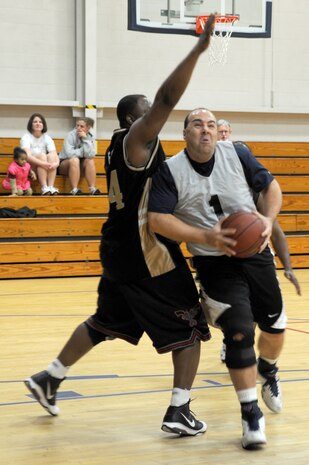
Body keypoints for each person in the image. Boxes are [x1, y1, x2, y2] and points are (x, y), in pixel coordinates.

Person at [24, 15, 216, 437]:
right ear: (133, 119)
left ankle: (49, 377)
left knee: (104, 322)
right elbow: (166, 97)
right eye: (148, 112)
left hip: (119, 248)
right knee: (190, 327)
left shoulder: (118, 148)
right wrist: (197, 51)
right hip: (148, 253)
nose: (156, 115)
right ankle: (178, 411)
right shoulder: (135, 142)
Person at [148, 107, 286, 449]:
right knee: (239, 330)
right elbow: (157, 219)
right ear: (185, 133)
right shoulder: (170, 170)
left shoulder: (237, 152)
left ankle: (268, 369)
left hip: (256, 255)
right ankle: (250, 411)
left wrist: (267, 221)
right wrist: (205, 236)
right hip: (214, 263)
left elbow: (272, 189)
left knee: (274, 326)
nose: (206, 131)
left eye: (211, 125)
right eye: (197, 125)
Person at [216, 132, 301, 363]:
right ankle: (231, 341)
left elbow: (276, 230)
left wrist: (289, 267)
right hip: (225, 258)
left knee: (259, 309)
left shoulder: (258, 192)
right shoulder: (219, 185)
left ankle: (262, 363)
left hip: (257, 256)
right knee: (240, 309)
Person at [58, 117, 101, 195]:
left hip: (79, 165)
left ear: (88, 128)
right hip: (64, 164)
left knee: (90, 161)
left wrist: (85, 139)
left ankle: (92, 189)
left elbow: (91, 155)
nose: (78, 128)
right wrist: (83, 151)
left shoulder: (90, 138)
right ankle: (74, 189)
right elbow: (69, 154)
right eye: (77, 125)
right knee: (75, 160)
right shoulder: (70, 135)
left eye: (82, 126)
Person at [20, 113, 59, 195]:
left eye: (40, 122)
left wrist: (56, 163)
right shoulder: (26, 137)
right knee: (42, 156)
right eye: (35, 122)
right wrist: (43, 163)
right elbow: (27, 156)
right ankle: (44, 187)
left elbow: (54, 154)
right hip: (31, 167)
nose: (38, 123)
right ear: (31, 124)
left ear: (43, 125)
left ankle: (50, 186)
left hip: (44, 165)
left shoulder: (47, 138)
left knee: (51, 156)